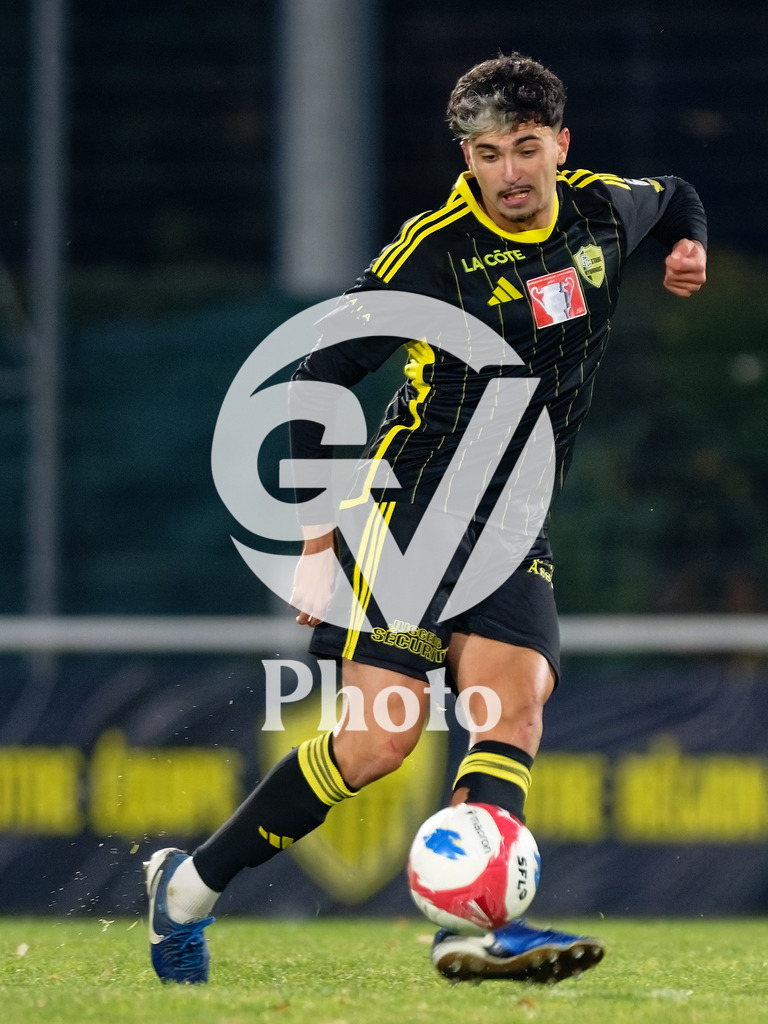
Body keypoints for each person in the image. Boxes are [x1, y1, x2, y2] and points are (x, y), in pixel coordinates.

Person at [145, 53, 707, 985]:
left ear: (561, 146)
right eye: (489, 154)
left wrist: (687, 244)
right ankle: (189, 887)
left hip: (512, 523)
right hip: (407, 517)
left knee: (513, 708)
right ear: (468, 157)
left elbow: (678, 191)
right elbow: (318, 376)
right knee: (378, 744)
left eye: (527, 149)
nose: (511, 173)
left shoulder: (605, 209)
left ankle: (467, 929)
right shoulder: (430, 254)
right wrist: (315, 545)